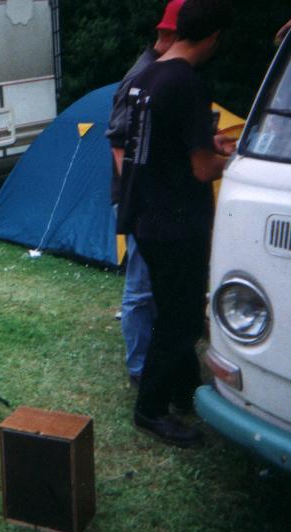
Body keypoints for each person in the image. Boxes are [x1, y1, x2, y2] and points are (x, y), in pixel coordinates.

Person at [118, 0, 236, 448]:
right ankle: (150, 410)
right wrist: (235, 159)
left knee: (174, 309)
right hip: (177, 221)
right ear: (213, 38)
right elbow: (202, 170)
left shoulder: (146, 76)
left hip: (145, 215)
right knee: (181, 320)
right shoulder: (188, 83)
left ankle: (185, 393)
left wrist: (208, 143)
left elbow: (162, 143)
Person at [106, 0, 184, 390]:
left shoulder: (163, 71)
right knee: (139, 288)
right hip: (137, 201)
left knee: (152, 284)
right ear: (168, 35)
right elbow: (117, 141)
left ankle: (151, 356)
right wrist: (140, 196)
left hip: (149, 200)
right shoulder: (141, 75)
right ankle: (138, 368)